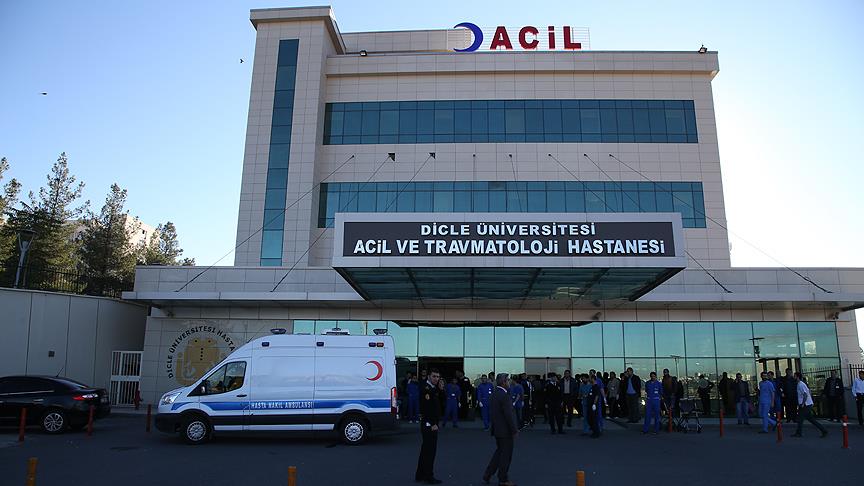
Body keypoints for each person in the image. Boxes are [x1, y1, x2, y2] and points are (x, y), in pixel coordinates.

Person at [482, 373, 519, 486]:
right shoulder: (504, 395)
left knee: (499, 453)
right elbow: (508, 415)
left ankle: (488, 474)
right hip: (505, 431)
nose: (509, 382)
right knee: (506, 455)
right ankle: (503, 479)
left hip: (497, 429)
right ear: (503, 382)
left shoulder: (494, 394)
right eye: (507, 380)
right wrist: (514, 430)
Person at [415, 369, 443, 484]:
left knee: (425, 450)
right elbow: (427, 409)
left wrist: (441, 390)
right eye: (434, 376)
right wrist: (433, 424)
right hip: (429, 424)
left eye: (438, 377)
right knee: (430, 452)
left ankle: (420, 474)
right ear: (429, 377)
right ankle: (428, 476)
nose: (436, 379)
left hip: (429, 423)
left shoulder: (433, 388)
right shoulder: (426, 389)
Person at [792, 372, 828, 438]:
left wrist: (803, 403)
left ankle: (799, 433)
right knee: (810, 419)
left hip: (805, 405)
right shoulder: (801, 384)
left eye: (794, 376)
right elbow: (808, 392)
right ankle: (823, 430)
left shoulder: (800, 385)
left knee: (800, 419)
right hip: (807, 404)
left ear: (797, 377)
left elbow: (805, 394)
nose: (793, 377)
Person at [586, 374, 602, 438]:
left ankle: (596, 433)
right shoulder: (592, 386)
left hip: (593, 406)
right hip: (589, 405)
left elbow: (597, 396)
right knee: (590, 419)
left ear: (593, 379)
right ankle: (594, 431)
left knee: (594, 419)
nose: (589, 379)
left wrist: (594, 404)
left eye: (590, 378)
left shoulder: (596, 387)